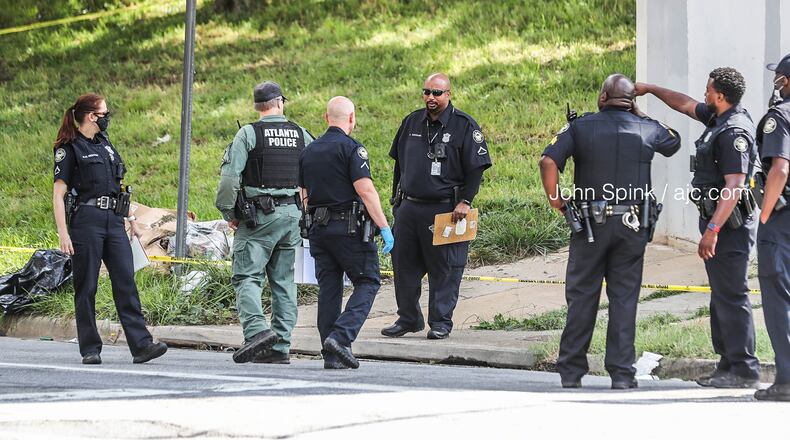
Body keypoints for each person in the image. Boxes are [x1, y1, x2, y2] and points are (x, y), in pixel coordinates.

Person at [540, 74, 680, 389]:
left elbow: (548, 161)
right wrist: (639, 113)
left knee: (582, 297)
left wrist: (557, 201)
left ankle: (572, 373)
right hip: (632, 226)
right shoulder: (647, 128)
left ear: (603, 97)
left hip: (590, 226)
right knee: (625, 299)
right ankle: (622, 374)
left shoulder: (580, 127)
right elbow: (673, 142)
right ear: (631, 102)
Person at [636, 68, 761, 388]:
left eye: (708, 90)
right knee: (721, 295)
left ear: (720, 95)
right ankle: (727, 363)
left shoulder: (734, 132)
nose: (704, 95)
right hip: (718, 223)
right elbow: (685, 104)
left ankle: (744, 369)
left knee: (732, 295)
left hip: (729, 228)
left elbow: (734, 186)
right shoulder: (720, 117)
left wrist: (713, 230)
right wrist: (650, 88)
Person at [52, 93, 167, 365]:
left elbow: (117, 186)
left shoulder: (105, 144)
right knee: (87, 285)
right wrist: (63, 233)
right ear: (92, 116)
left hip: (114, 221)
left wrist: (131, 218)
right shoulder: (69, 148)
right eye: (104, 114)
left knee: (125, 281)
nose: (107, 118)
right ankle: (90, 348)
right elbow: (58, 194)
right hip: (86, 221)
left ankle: (141, 345)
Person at [383, 73, 492, 340]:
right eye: (427, 92)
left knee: (445, 268)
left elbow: (476, 169)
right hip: (409, 208)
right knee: (403, 265)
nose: (431, 97)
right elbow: (399, 164)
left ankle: (441, 322)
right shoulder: (411, 122)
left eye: (437, 93)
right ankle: (408, 318)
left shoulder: (464, 125)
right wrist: (396, 200)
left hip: (447, 209)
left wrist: (466, 201)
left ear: (448, 94)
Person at [215, 81, 314, 364]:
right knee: (284, 282)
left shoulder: (248, 134)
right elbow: (317, 169)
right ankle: (281, 346)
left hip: (258, 219)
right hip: (292, 217)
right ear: (280, 102)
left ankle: (257, 332)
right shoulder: (300, 134)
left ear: (257, 106)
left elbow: (229, 180)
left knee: (247, 277)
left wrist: (228, 213)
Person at [298, 96, 394, 369]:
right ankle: (340, 338)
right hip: (348, 230)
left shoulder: (309, 151)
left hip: (318, 230)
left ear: (326, 118)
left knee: (329, 287)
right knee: (368, 281)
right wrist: (385, 228)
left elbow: (303, 195)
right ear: (351, 118)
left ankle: (331, 353)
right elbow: (365, 190)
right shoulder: (352, 149)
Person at [754, 54, 790, 402]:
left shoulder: (780, 116)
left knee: (780, 300)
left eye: (779, 78)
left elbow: (779, 169)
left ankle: (788, 380)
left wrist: (764, 214)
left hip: (782, 222)